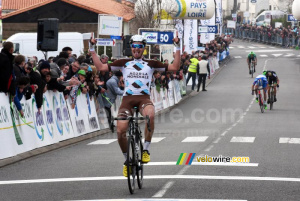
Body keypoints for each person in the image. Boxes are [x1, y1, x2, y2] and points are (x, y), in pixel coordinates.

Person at [90, 33, 181, 177]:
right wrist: (92, 48)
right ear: (131, 47)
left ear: (144, 48)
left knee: (150, 116)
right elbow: (101, 67)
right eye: (134, 46)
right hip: (127, 100)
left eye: (139, 46)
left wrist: (177, 47)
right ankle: (127, 161)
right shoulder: (123, 62)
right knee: (120, 131)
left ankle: (145, 150)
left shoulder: (151, 63)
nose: (136, 49)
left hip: (144, 99)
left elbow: (175, 66)